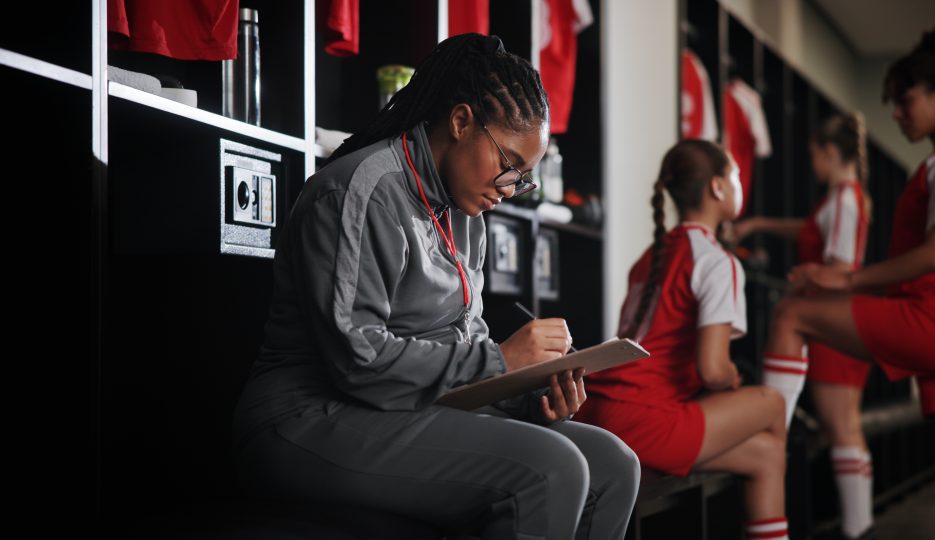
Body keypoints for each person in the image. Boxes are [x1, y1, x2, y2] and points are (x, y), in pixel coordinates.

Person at [232, 33, 640, 540]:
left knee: (614, 465)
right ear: (461, 121)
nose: (509, 188)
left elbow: (461, 350)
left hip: (401, 409)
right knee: (551, 469)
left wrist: (533, 394)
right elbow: (356, 362)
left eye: (523, 178)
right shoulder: (360, 190)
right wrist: (501, 360)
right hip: (304, 418)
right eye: (509, 165)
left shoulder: (466, 212)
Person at [762, 24, 935, 540]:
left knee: (792, 312)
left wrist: (848, 279)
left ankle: (768, 437)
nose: (898, 114)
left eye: (906, 102)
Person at [574, 140, 792, 540]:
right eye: (736, 175)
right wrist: (731, 383)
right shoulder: (716, 260)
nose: (740, 182)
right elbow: (713, 368)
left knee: (767, 455)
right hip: (645, 420)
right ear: (717, 188)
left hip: (597, 412)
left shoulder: (652, 255)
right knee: (772, 402)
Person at [734, 113, 875, 538]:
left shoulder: (846, 198)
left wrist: (806, 276)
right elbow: (812, 230)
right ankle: (860, 525)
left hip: (831, 322)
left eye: (815, 156)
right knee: (844, 425)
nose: (813, 166)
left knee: (841, 426)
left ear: (831, 153)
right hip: (832, 322)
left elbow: (840, 268)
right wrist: (760, 224)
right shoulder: (837, 199)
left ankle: (859, 528)